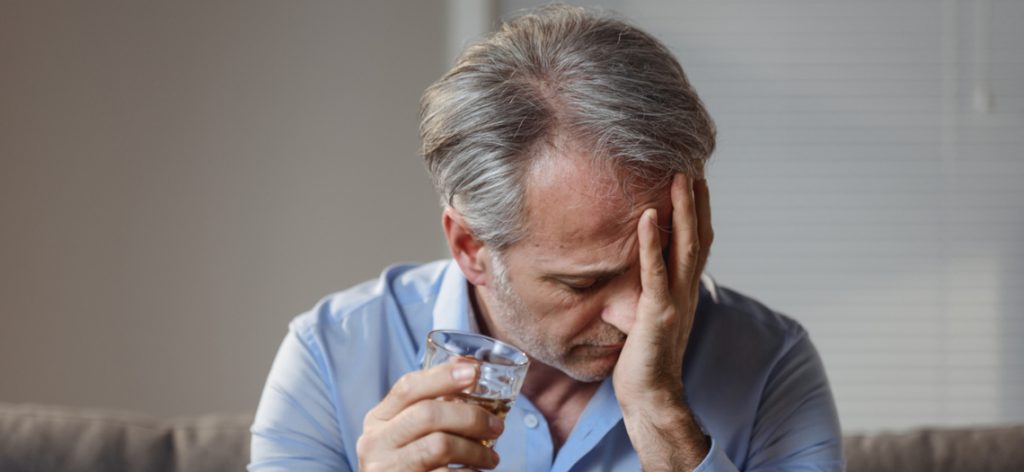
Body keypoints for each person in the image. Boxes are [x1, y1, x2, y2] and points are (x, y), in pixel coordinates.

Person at [249, 5, 842, 471]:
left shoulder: (771, 365)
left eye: (660, 260)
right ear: (470, 248)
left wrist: (662, 421)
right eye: (584, 281)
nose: (641, 315)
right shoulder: (331, 356)